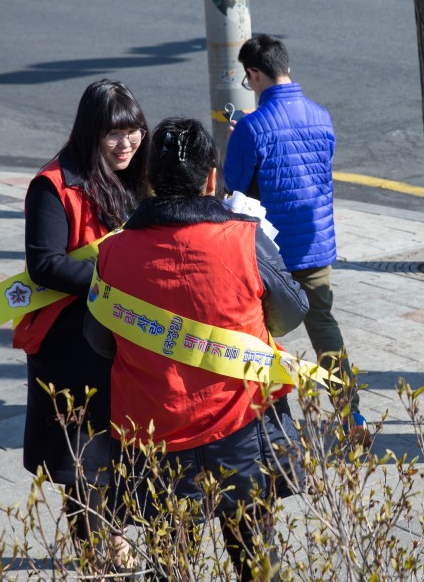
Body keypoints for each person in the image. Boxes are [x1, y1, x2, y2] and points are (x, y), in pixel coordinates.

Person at [83, 117, 309, 581]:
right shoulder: (245, 239)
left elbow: (98, 339)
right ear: (211, 178)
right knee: (257, 560)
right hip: (243, 427)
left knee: (172, 563)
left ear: (147, 180)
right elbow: (291, 313)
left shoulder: (113, 253)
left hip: (154, 432)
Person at [15, 78, 149, 555]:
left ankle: (113, 532)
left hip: (118, 336)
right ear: (89, 132)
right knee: (83, 455)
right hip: (69, 343)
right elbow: (44, 263)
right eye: (113, 133)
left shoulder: (136, 174)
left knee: (122, 444)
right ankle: (99, 546)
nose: (126, 142)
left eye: (133, 130)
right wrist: (110, 283)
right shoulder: (52, 186)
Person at [223, 33, 371, 445]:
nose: (248, 86)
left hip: (268, 254)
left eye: (248, 79)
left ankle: (259, 412)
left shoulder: (252, 127)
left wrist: (239, 137)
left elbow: (234, 189)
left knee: (257, 329)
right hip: (315, 244)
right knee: (324, 325)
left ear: (255, 74)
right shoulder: (321, 116)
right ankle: (351, 412)